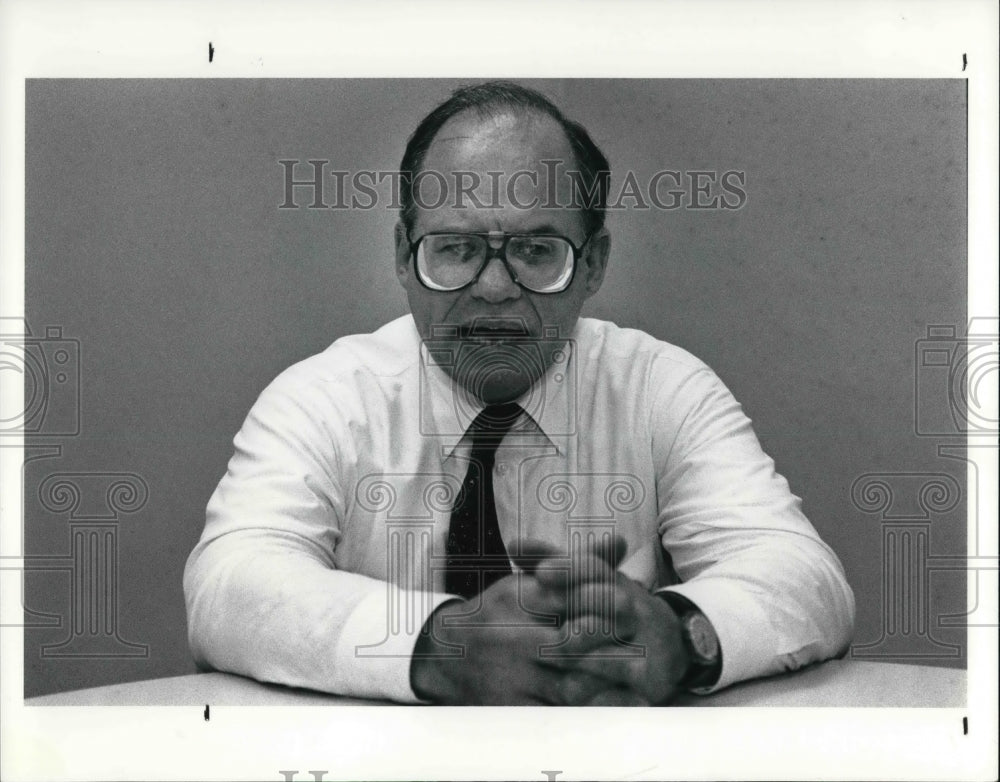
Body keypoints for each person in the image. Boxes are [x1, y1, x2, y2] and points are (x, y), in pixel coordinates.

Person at [183, 81, 855, 706]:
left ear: (591, 264)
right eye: (455, 248)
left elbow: (801, 574)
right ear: (401, 254)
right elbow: (231, 583)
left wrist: (683, 633)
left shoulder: (661, 387)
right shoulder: (322, 399)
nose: (495, 288)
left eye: (537, 250)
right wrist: (441, 645)